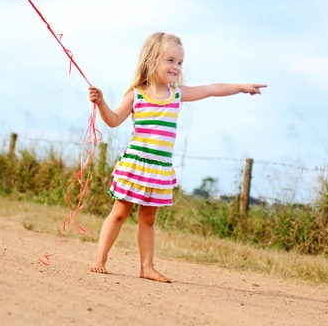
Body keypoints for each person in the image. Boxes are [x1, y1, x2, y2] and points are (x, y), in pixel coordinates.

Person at [88, 32, 266, 283]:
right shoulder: (136, 95)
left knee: (148, 219)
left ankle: (146, 267)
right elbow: (114, 120)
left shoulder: (177, 94)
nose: (176, 67)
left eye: (180, 63)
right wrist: (101, 103)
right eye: (170, 60)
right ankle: (99, 259)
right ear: (152, 60)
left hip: (159, 168)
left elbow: (211, 90)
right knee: (119, 213)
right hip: (135, 165)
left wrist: (241, 88)